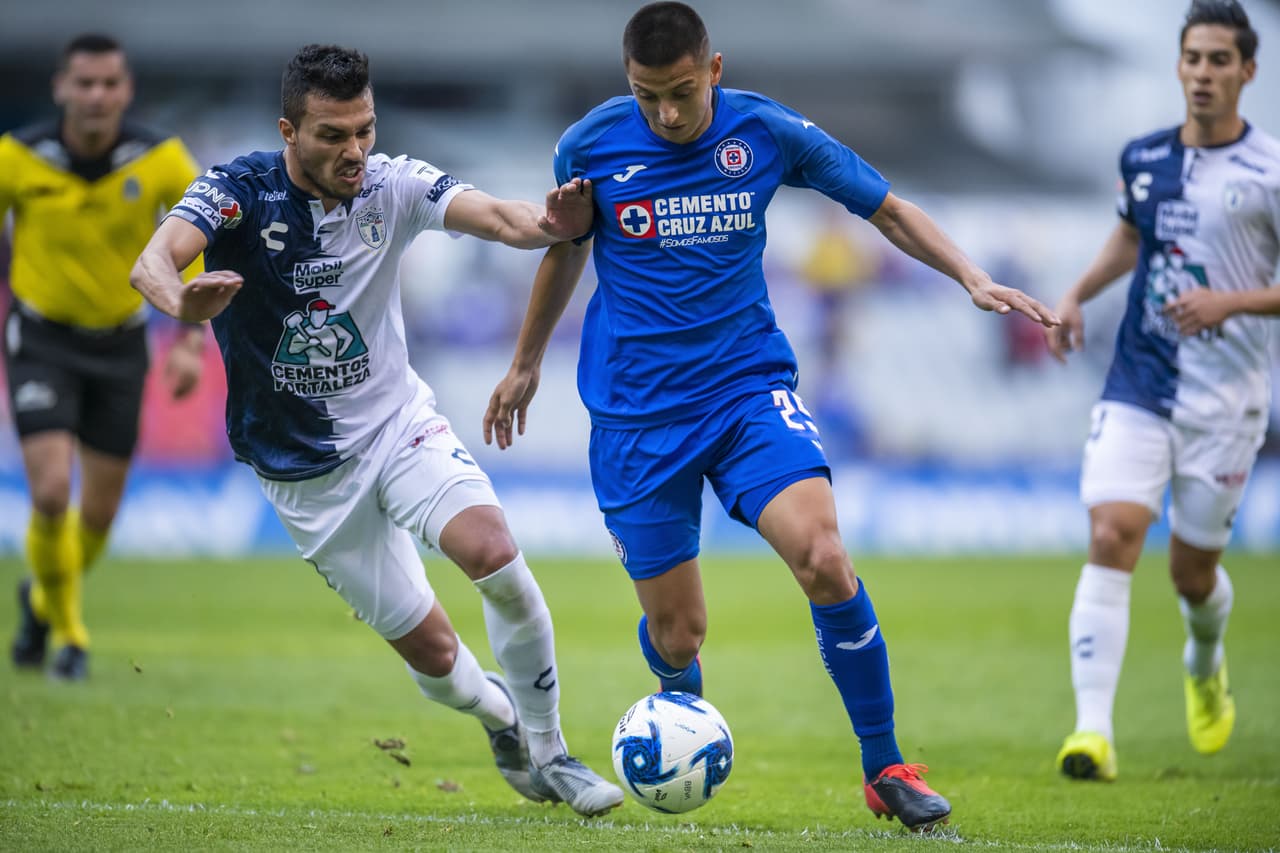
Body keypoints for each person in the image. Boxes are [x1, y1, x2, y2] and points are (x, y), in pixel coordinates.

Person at [483, 1, 1059, 832]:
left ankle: (885, 766)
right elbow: (564, 249)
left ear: (714, 70)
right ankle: (678, 704)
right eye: (648, 97)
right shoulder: (590, 145)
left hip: (746, 391)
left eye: (682, 92)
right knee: (679, 634)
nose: (667, 114)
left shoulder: (765, 131)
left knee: (824, 556)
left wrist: (970, 274)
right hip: (636, 415)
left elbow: (886, 207)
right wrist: (525, 362)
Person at [129, 44, 623, 816]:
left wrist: (548, 222)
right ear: (289, 131)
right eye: (332, 135)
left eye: (364, 129)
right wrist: (179, 301)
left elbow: (503, 218)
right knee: (436, 659)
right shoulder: (236, 192)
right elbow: (154, 261)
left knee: (493, 554)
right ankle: (499, 713)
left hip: (398, 425)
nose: (354, 150)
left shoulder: (393, 184)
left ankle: (553, 750)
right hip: (303, 474)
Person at [1046, 0, 1279, 782]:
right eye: (1193, 58)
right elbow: (1130, 234)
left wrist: (1229, 303)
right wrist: (1078, 292)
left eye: (1220, 60)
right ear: (1178, 64)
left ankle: (1205, 659)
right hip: (1139, 381)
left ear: (1247, 70)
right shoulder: (1145, 157)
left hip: (1227, 400)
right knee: (1113, 533)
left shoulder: (1270, 171)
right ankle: (1092, 732)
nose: (1203, 74)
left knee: (1191, 575)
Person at [2, 33, 208, 681]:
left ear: (126, 90)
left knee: (98, 514)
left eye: (109, 83)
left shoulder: (162, 159)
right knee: (52, 493)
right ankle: (70, 636)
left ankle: (39, 599)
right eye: (84, 83)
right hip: (41, 339)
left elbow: (201, 240)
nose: (96, 95)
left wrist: (191, 340)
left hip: (121, 343)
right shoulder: (15, 157)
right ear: (60, 87)